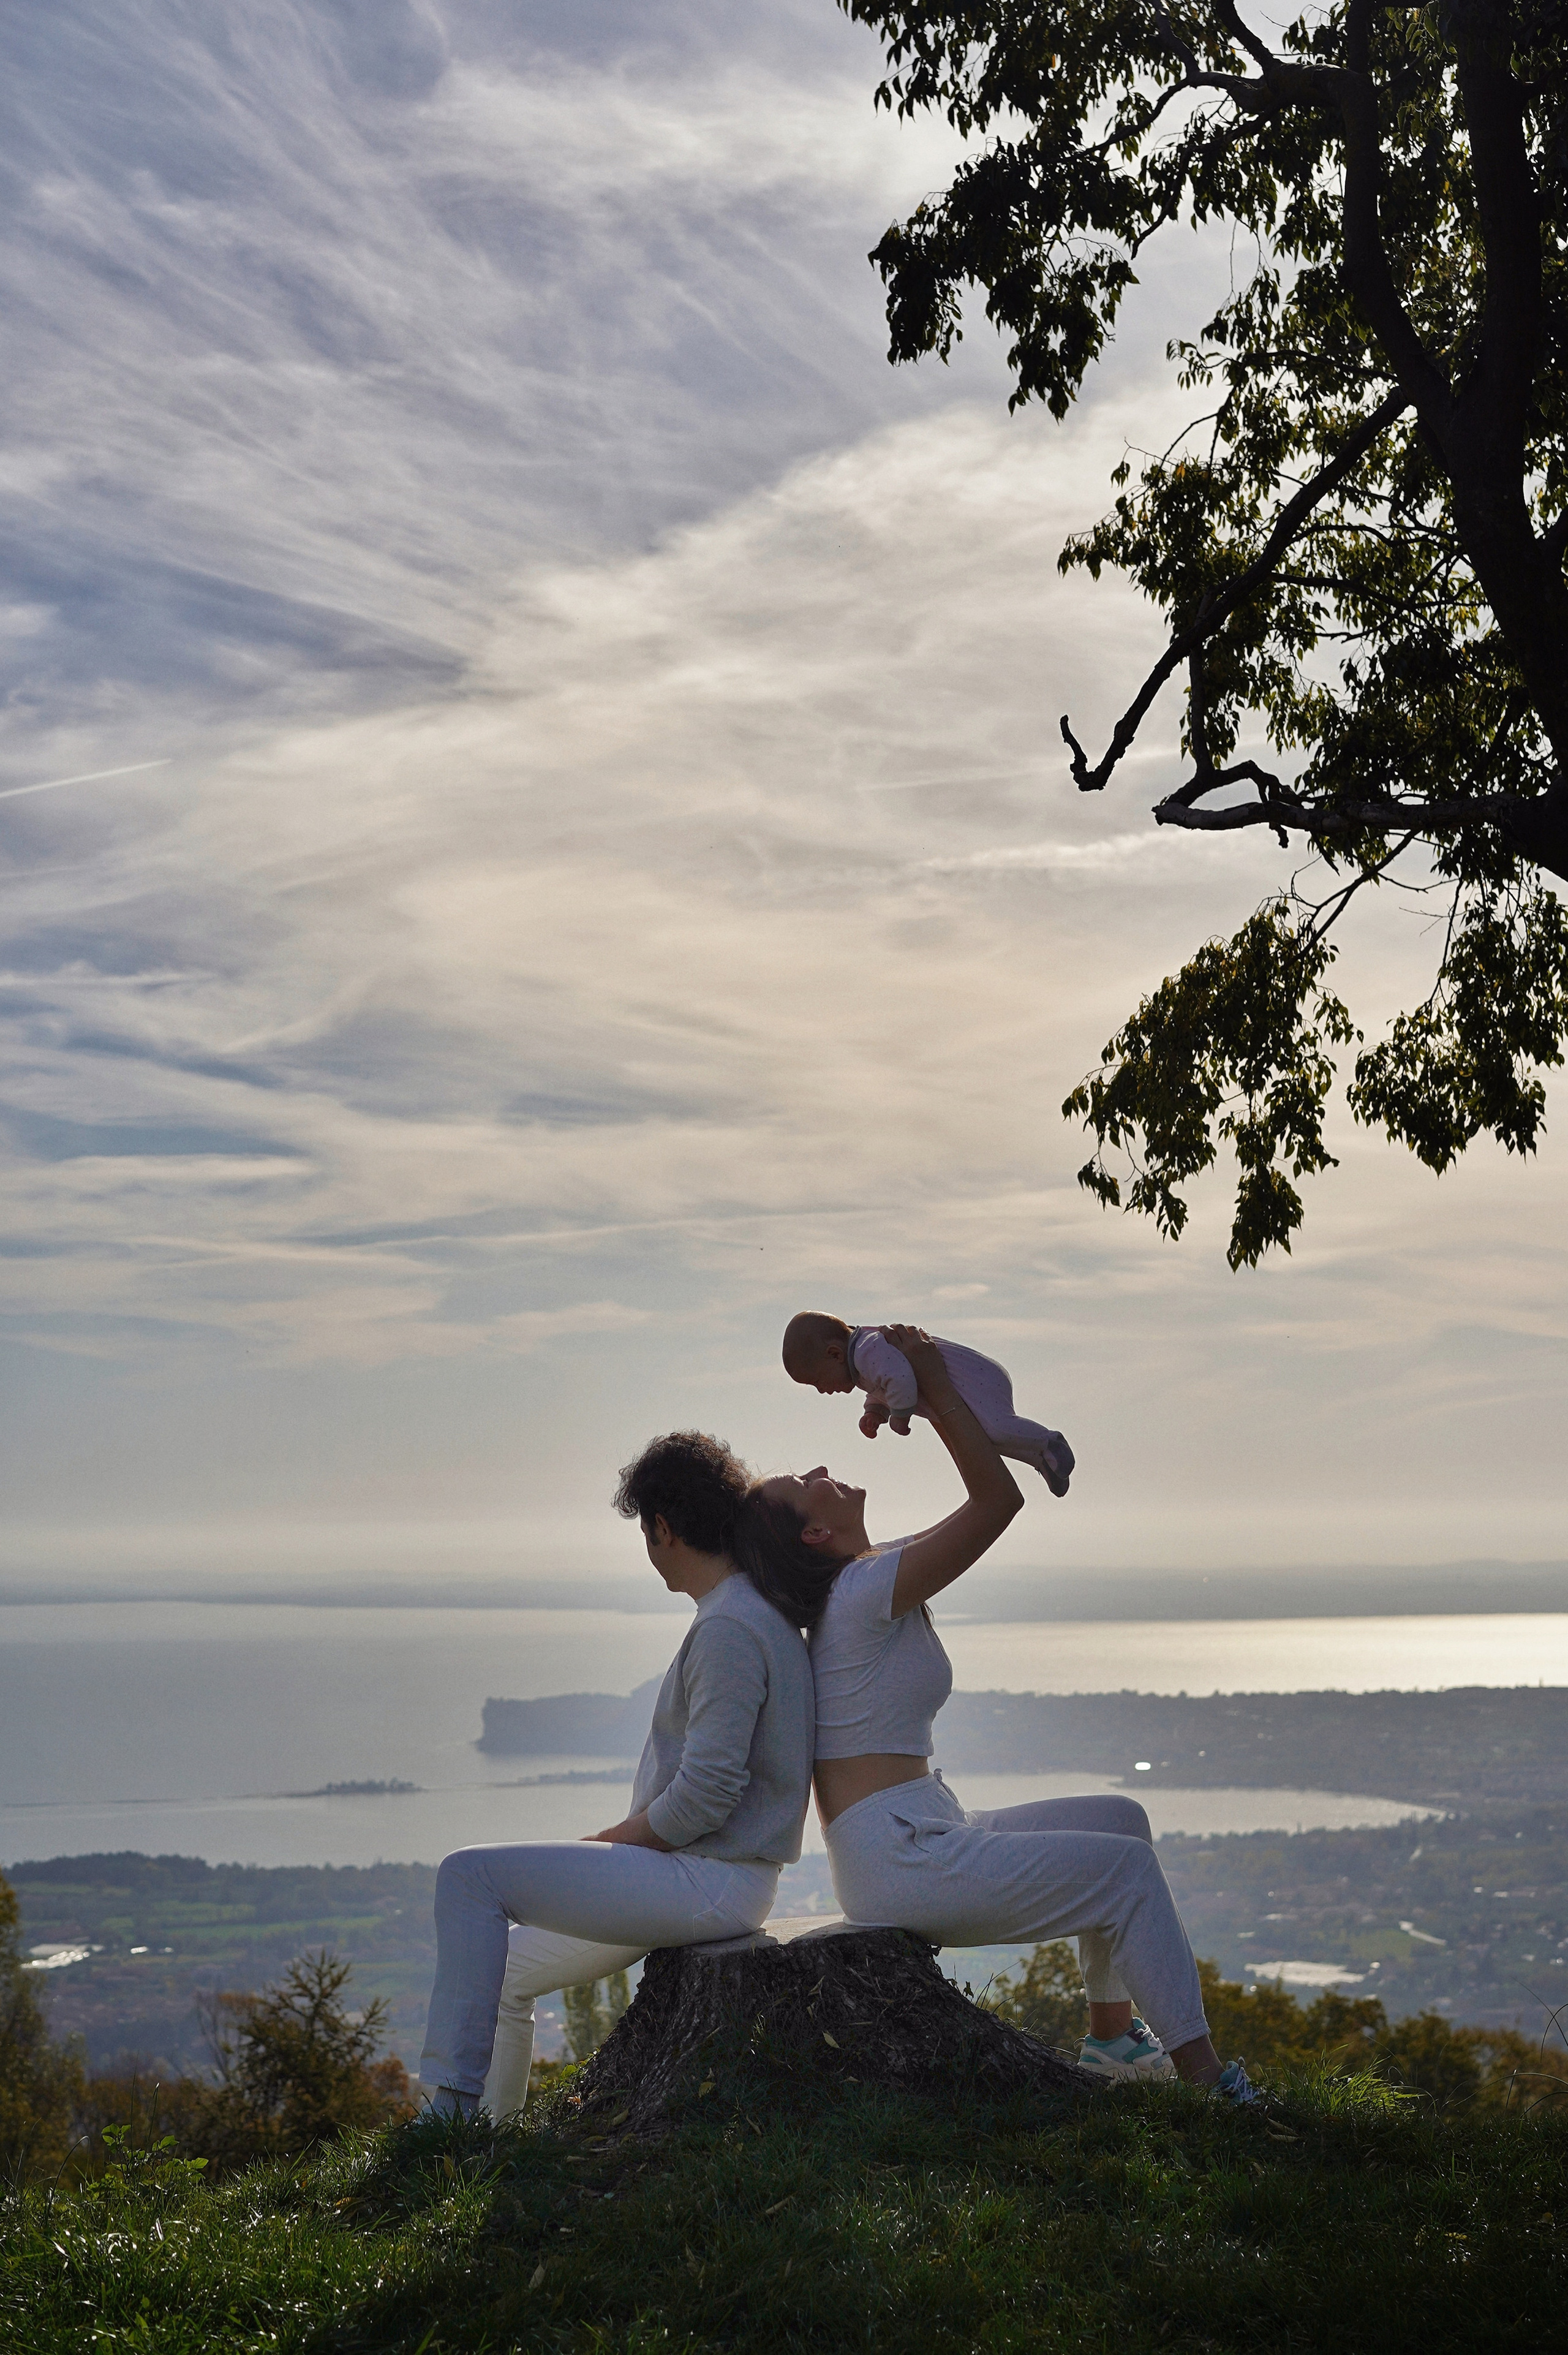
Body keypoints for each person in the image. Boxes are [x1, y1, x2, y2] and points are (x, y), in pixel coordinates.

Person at [744, 1325, 1255, 2100]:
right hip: (899, 1858)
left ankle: (1114, 2040)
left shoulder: (870, 1573)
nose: (820, 1467)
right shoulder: (859, 1594)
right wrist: (933, 1385)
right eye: (803, 1482)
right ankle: (1213, 2086)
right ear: (814, 1532)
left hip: (922, 1825)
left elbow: (978, 1502)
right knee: (1128, 1871)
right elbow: (997, 1499)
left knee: (1123, 1821)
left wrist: (930, 1387)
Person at [418, 1431, 815, 2117]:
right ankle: (485, 2136)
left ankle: (444, 2112)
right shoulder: (747, 1612)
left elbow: (707, 1795)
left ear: (663, 1527)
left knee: (467, 1876)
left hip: (707, 1880)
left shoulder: (730, 1627)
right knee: (506, 1972)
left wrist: (609, 1844)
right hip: (706, 1878)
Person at [781, 1310, 1073, 1497]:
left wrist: (899, 1416)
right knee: (981, 1440)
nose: (823, 1391)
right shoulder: (863, 1362)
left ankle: (1051, 1442)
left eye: (818, 1382)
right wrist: (875, 1411)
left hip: (975, 1380)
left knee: (995, 1429)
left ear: (834, 1354)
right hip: (968, 1387)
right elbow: (884, 1385)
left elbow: (901, 1378)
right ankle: (1041, 1460)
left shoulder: (867, 1350)